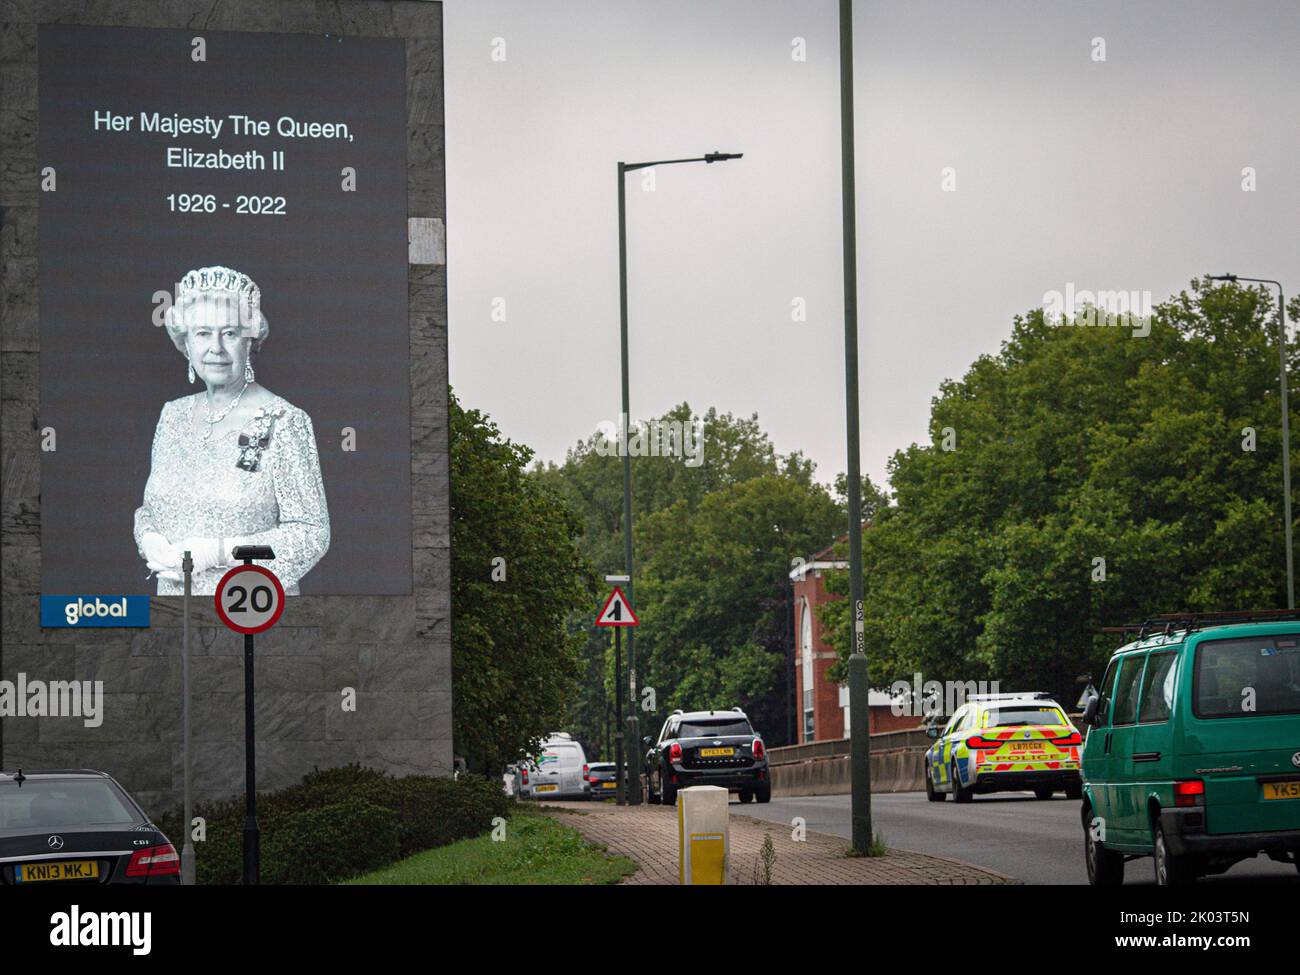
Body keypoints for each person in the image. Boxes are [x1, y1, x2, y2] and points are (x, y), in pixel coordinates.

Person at [134, 266, 329, 594]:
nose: (216, 349)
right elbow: (149, 511)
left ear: (250, 340)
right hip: (172, 612)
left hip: (250, 611)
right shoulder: (172, 416)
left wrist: (221, 553)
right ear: (185, 342)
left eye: (230, 333)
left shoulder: (282, 421)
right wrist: (148, 539)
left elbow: (310, 536)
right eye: (203, 333)